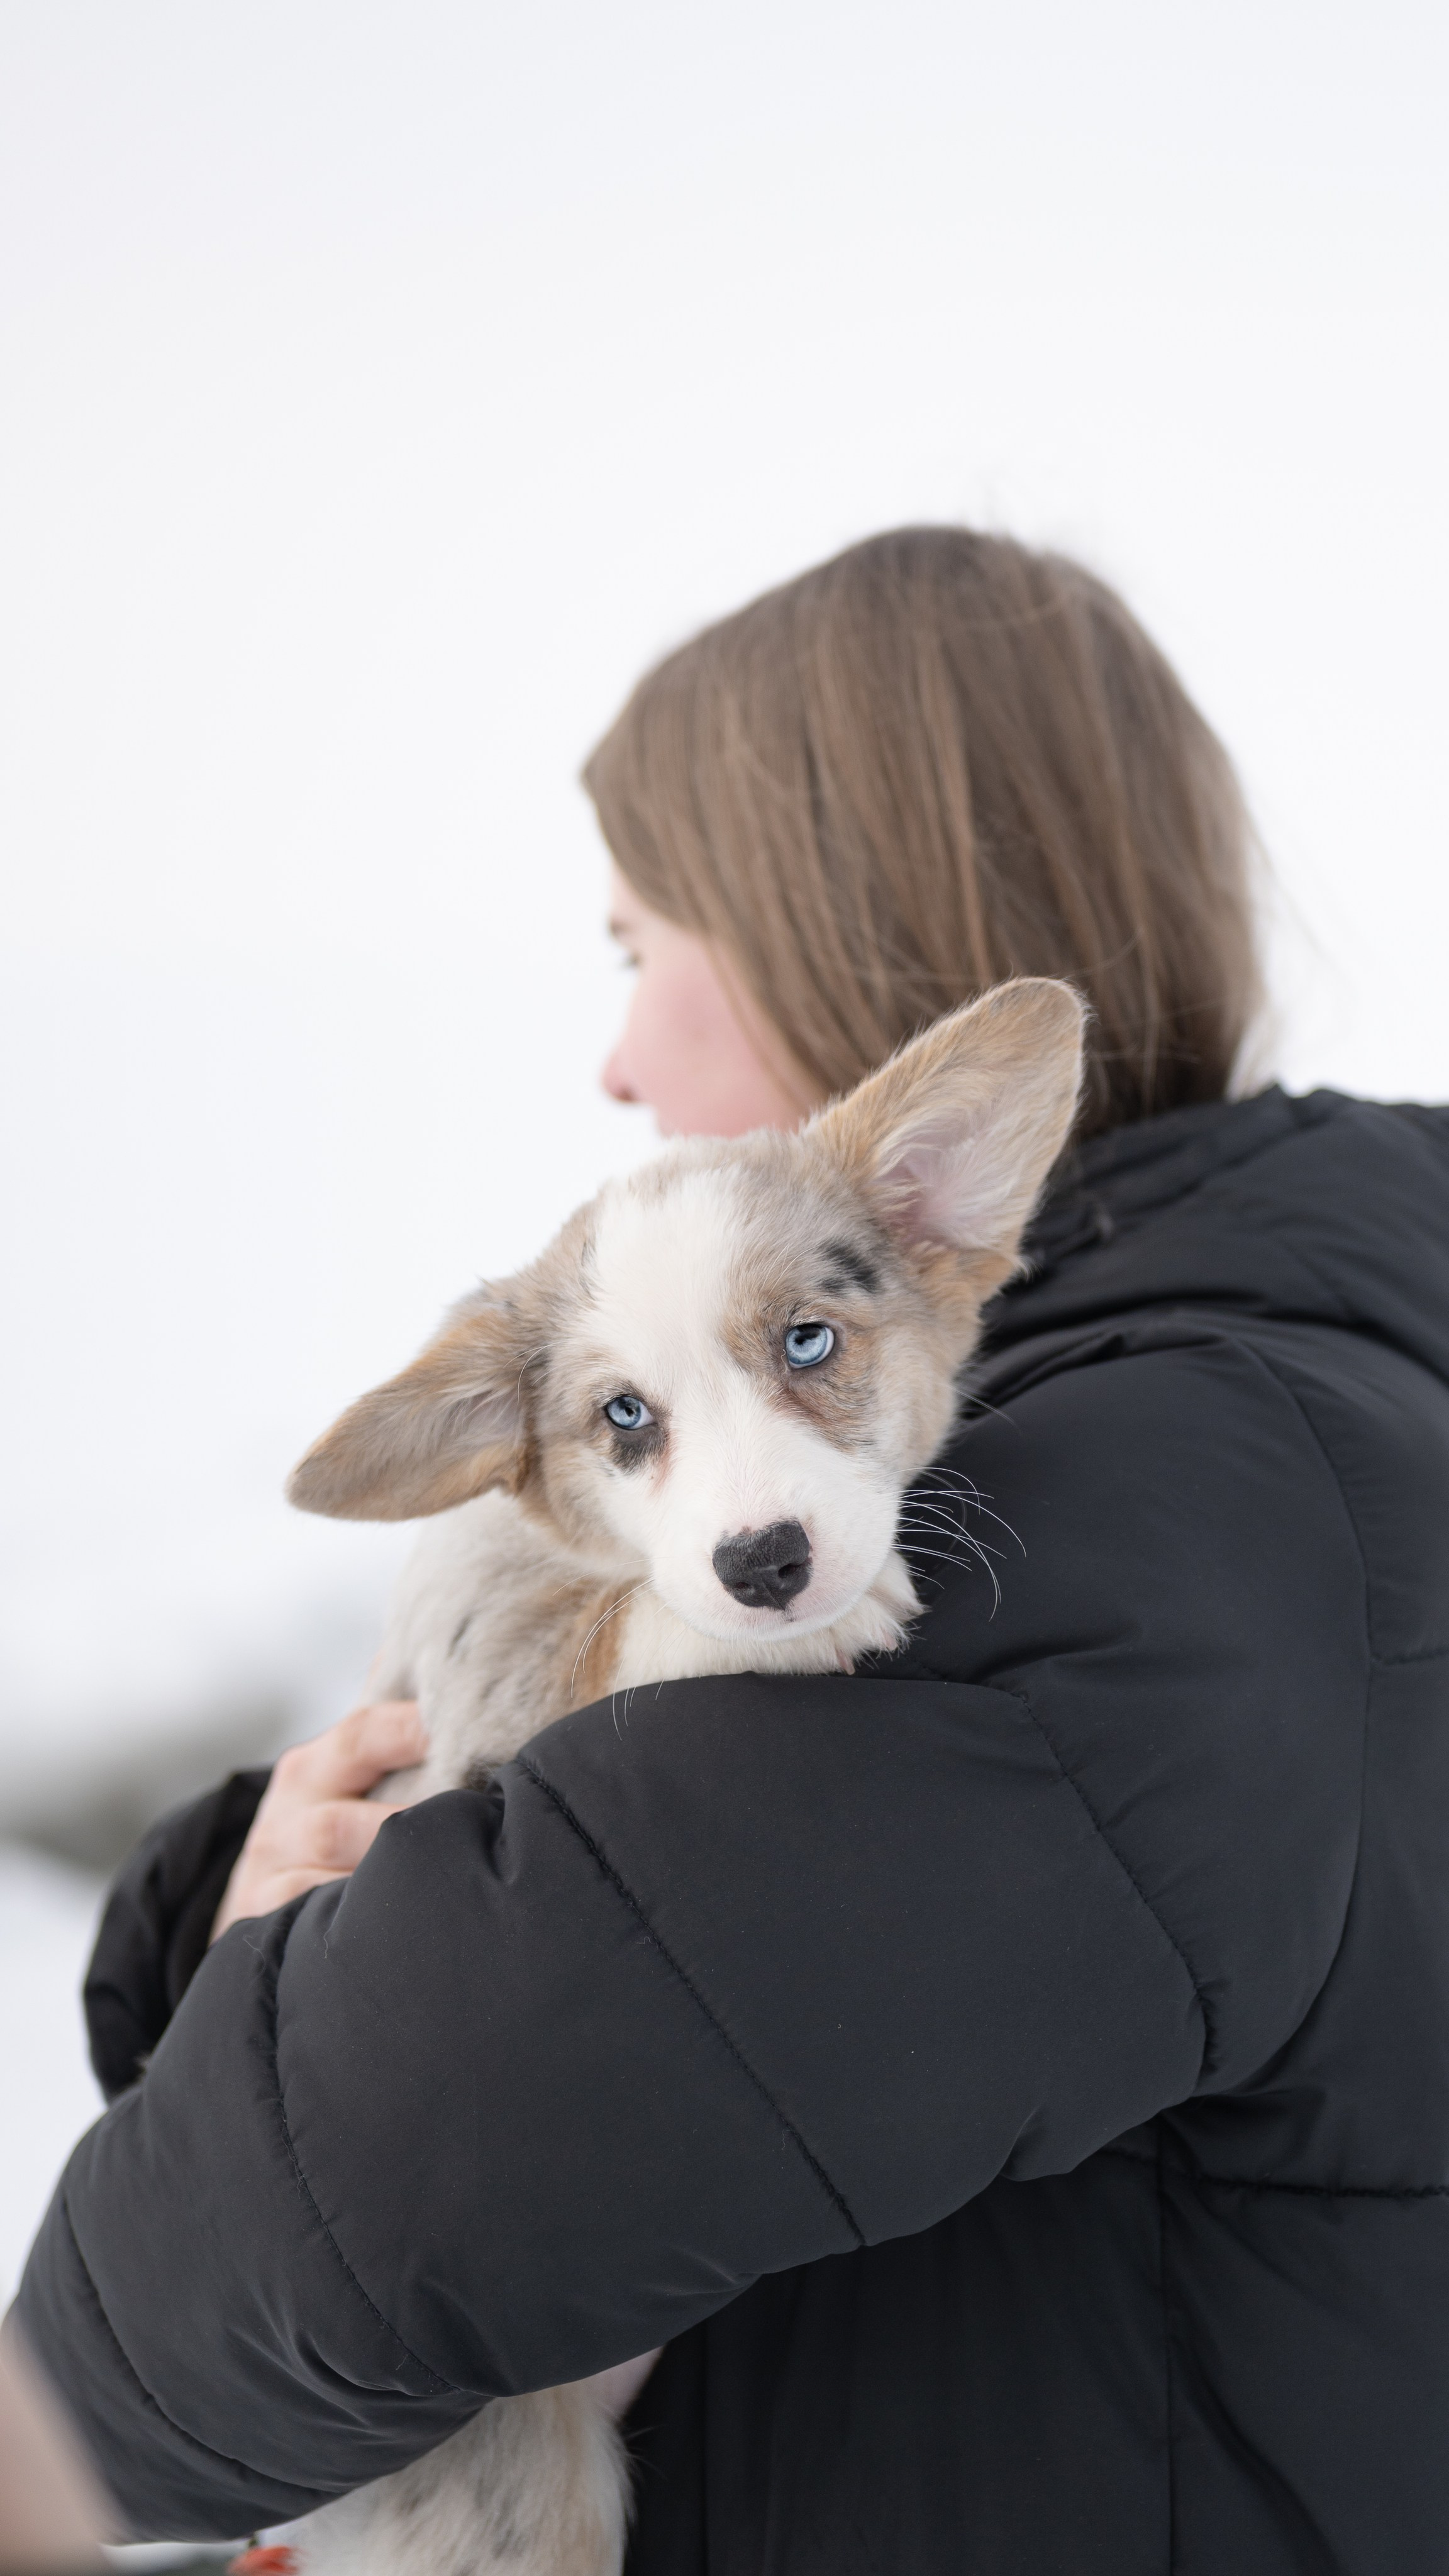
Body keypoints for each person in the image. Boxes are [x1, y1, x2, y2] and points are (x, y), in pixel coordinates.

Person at [13, 528, 1449, 2575]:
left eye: (635, 945)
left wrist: (261, 1982)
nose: (615, 1061)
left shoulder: (1125, 1508)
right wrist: (229, 1910)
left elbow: (211, 2310)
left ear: (821, 923)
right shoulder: (1324, 1388)